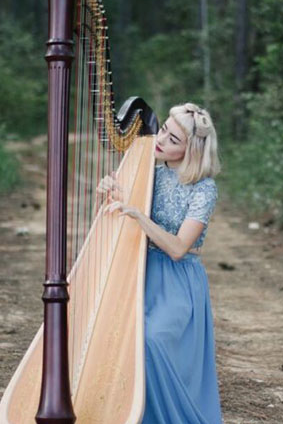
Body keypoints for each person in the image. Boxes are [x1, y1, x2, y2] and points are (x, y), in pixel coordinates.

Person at [99, 102, 223, 424]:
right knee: (116, 333)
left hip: (178, 282)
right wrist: (111, 194)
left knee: (151, 339)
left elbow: (179, 247)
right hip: (142, 272)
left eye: (173, 140)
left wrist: (139, 215)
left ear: (192, 151)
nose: (161, 140)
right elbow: (121, 213)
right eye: (164, 130)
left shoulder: (204, 189)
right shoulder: (150, 172)